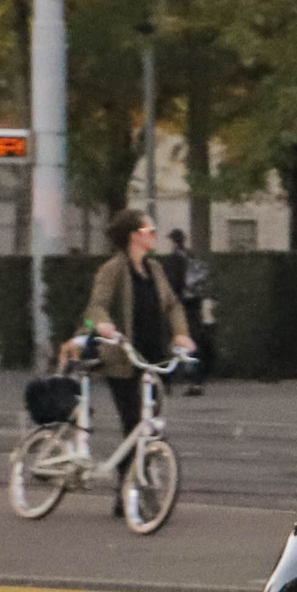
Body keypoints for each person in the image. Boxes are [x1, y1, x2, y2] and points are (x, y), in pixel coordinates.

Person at [81, 210, 195, 512]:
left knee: (151, 427)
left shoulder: (155, 269)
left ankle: (132, 490)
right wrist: (104, 325)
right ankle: (128, 493)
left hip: (152, 358)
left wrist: (181, 334)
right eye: (150, 229)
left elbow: (172, 306)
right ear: (134, 235)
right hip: (123, 359)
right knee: (133, 424)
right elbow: (96, 307)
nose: (155, 234)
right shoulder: (113, 269)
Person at [161, 229, 214, 395]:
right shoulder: (192, 256)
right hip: (195, 305)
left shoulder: (174, 259)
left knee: (172, 341)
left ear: (174, 242)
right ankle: (197, 382)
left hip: (179, 306)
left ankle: (166, 381)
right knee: (194, 342)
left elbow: (172, 283)